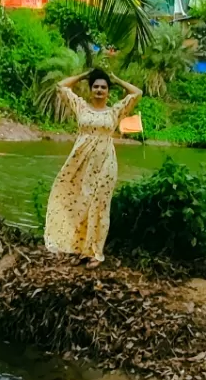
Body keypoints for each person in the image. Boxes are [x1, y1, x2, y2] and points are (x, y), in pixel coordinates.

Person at [44, 66, 143, 264]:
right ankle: (77, 247)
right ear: (90, 90)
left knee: (99, 206)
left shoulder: (115, 111)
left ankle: (95, 253)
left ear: (108, 91)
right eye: (95, 86)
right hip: (80, 161)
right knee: (78, 201)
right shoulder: (80, 106)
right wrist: (82, 76)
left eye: (103, 87)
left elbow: (137, 93)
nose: (99, 90)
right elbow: (61, 86)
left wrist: (115, 78)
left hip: (105, 163)